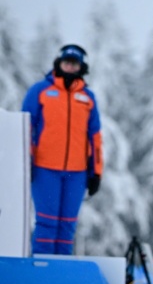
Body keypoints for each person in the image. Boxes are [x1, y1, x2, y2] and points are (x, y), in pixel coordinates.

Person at [21, 44, 103, 255]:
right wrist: (25, 161)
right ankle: (42, 269)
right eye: (66, 62)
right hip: (44, 169)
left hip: (77, 173)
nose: (69, 66)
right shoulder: (40, 91)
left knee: (67, 225)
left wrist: (96, 172)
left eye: (74, 63)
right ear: (59, 63)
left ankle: (61, 271)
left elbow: (95, 137)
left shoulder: (88, 98)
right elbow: (25, 127)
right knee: (47, 222)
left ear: (81, 67)